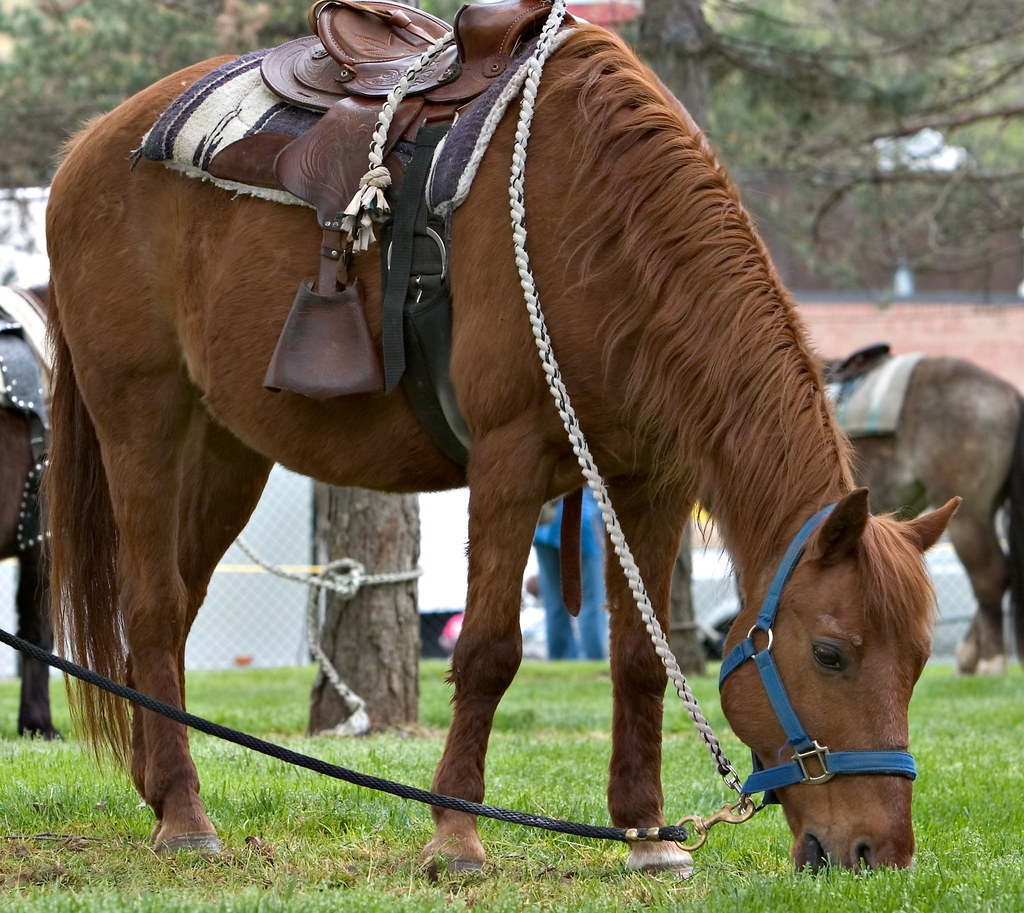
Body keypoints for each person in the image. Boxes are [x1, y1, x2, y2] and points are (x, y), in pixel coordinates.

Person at [533, 488, 608, 659]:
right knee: (592, 602)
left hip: (544, 526)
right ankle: (593, 660)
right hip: (582, 524)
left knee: (554, 603)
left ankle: (560, 660)